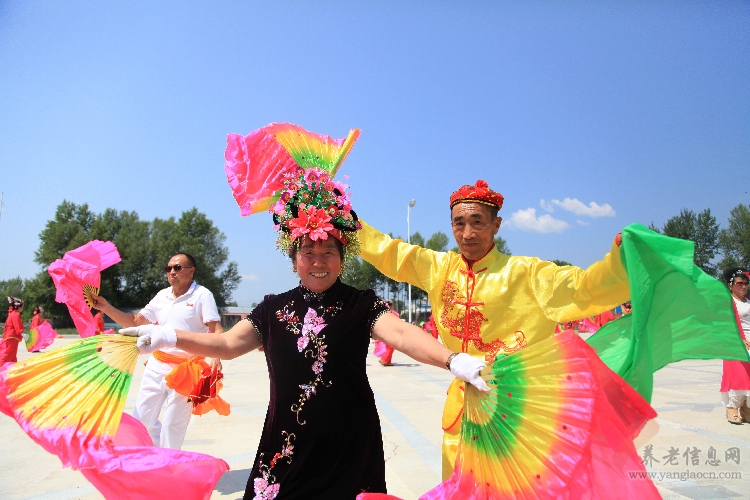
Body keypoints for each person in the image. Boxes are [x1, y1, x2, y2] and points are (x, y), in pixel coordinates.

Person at [119, 167, 489, 499]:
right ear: (294, 257)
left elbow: (403, 335)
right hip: (286, 443)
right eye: (308, 252)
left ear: (342, 258)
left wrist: (452, 359)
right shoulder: (272, 308)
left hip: (350, 443)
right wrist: (169, 336)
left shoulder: (361, 304)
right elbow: (228, 344)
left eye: (328, 251)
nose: (318, 261)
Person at [357, 179, 630, 478]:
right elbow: (388, 252)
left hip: (518, 413)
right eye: (459, 223)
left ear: (496, 224)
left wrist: (620, 262)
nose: (468, 233)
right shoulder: (439, 268)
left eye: (478, 222)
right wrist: (343, 218)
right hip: (463, 410)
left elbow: (583, 288)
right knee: (461, 486)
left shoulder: (528, 273)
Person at [92, 253, 224, 449]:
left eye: (177, 267)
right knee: (142, 419)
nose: (172, 272)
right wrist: (106, 307)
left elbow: (216, 330)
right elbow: (136, 321)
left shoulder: (202, 295)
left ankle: (170, 466)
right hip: (156, 366)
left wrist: (216, 355)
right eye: (168, 268)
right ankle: (155, 457)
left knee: (173, 425)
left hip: (186, 370)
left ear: (191, 271)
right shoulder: (161, 296)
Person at [720, 267, 750, 424]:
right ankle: (731, 407)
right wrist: (740, 339)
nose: (744, 286)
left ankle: (745, 408)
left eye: (746, 283)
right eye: (739, 283)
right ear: (730, 285)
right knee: (738, 376)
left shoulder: (748, 302)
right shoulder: (728, 302)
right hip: (736, 343)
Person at [373, 300, 399, 366]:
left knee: (389, 346)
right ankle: (384, 359)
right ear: (391, 306)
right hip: (391, 332)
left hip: (385, 332)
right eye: (393, 305)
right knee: (391, 347)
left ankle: (388, 361)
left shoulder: (384, 313)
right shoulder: (393, 313)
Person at [1, 297, 25, 364]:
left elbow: (10, 309)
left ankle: (12, 370)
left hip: (11, 336)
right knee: (9, 355)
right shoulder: (15, 315)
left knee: (12, 356)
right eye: (21, 306)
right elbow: (17, 326)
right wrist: (22, 333)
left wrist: (11, 302)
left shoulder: (12, 313)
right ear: (18, 307)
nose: (22, 308)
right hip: (12, 337)